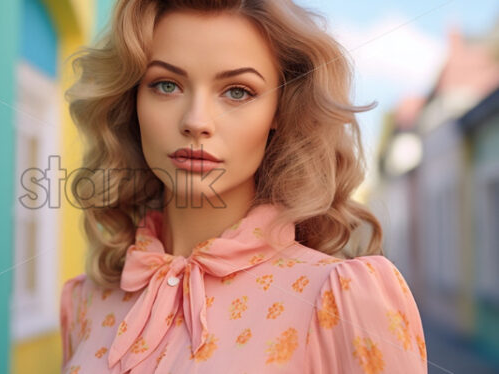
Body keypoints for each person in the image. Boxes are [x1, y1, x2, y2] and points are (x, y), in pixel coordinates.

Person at [59, 0, 428, 373]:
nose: (196, 121)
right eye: (166, 85)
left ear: (281, 112)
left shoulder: (342, 297)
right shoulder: (85, 302)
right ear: (132, 101)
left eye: (237, 91)